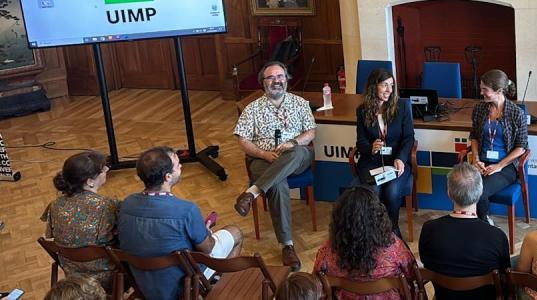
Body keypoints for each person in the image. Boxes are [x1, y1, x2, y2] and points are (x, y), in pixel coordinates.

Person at [118, 146, 243, 300]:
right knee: (235, 233)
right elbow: (207, 249)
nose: (181, 166)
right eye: (178, 165)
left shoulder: (126, 204)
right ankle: (216, 286)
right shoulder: (187, 210)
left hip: (144, 283)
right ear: (168, 177)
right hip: (181, 285)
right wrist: (206, 232)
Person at [234, 60, 316, 270]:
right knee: (277, 185)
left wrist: (293, 142)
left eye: (280, 76)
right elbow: (242, 140)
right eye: (271, 77)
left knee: (297, 151)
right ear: (263, 82)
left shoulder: (300, 103)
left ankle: (251, 193)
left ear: (286, 79)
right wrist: (263, 153)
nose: (277, 81)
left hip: (296, 156)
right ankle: (287, 246)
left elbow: (310, 133)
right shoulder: (252, 109)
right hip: (264, 159)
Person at [419, 163, 510, 299]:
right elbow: (504, 277)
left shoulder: (429, 229)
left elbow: (427, 263)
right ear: (480, 193)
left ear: (449, 193)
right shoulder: (497, 236)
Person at [313, 186, 416, 300]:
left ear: (339, 218)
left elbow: (316, 282)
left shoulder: (327, 252)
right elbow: (411, 274)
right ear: (378, 215)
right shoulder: (394, 247)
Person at [40, 151, 118, 290]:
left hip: (73, 277)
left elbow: (52, 236)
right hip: (106, 279)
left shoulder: (55, 205)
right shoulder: (108, 206)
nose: (106, 170)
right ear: (90, 181)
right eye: (102, 169)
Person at [355, 67, 414, 237]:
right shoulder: (362, 111)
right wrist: (370, 148)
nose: (389, 90)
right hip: (372, 162)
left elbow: (409, 137)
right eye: (384, 85)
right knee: (373, 191)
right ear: (374, 86)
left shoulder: (401, 106)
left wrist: (401, 159)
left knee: (392, 191)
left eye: (392, 86)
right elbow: (361, 142)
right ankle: (373, 232)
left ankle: (392, 230)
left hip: (396, 162)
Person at [468, 69, 529, 223]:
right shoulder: (480, 109)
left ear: (499, 91)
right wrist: (476, 159)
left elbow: (521, 146)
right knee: (463, 187)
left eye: (485, 90)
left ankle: (483, 223)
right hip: (482, 162)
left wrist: (499, 165)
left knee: (479, 192)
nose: (481, 93)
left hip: (506, 166)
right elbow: (474, 136)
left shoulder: (516, 113)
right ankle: (480, 220)